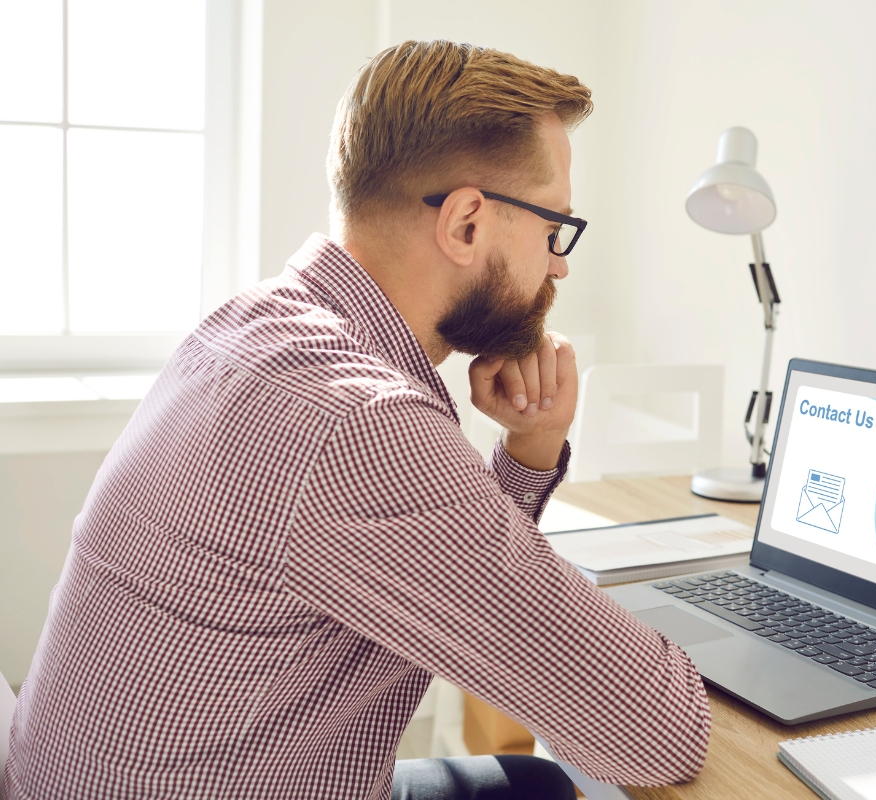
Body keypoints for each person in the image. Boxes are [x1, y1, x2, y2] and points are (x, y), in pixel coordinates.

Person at [1, 41, 711, 800]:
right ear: (468, 223)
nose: (560, 266)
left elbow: (454, 587)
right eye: (553, 230)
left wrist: (531, 448)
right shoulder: (356, 424)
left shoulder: (252, 327)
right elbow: (658, 731)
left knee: (535, 783)